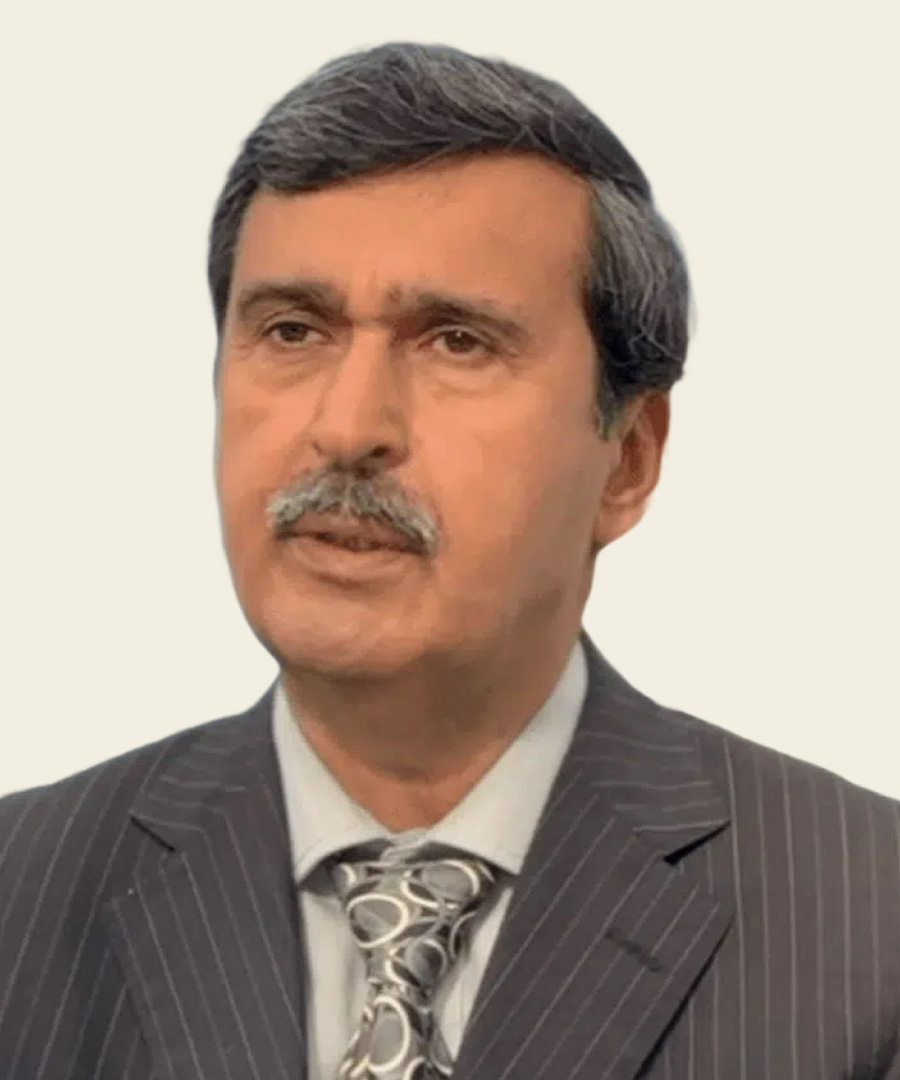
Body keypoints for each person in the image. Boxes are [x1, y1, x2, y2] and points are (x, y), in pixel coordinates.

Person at [0, 40, 897, 1080]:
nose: (348, 428)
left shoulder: (865, 925)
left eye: (456, 341)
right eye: (292, 331)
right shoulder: (21, 895)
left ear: (628, 460)